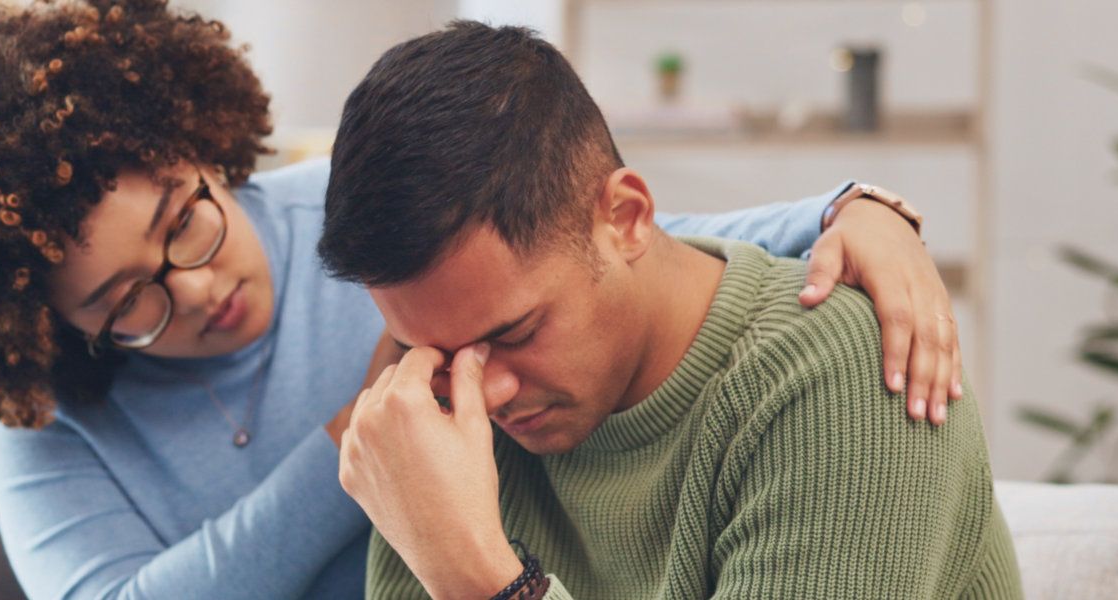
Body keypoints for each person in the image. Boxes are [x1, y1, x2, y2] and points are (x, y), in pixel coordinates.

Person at [0, 1, 969, 598]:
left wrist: (848, 209)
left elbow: (623, 250)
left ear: (203, 149)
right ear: (59, 333)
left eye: (186, 220)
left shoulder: (390, 262)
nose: (198, 287)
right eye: (126, 303)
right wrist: (361, 452)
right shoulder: (434, 420)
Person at [323, 21, 1021, 600]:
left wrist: (483, 578)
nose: (489, 392)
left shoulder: (840, 379)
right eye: (437, 355)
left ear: (626, 219)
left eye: (516, 332)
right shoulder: (435, 416)